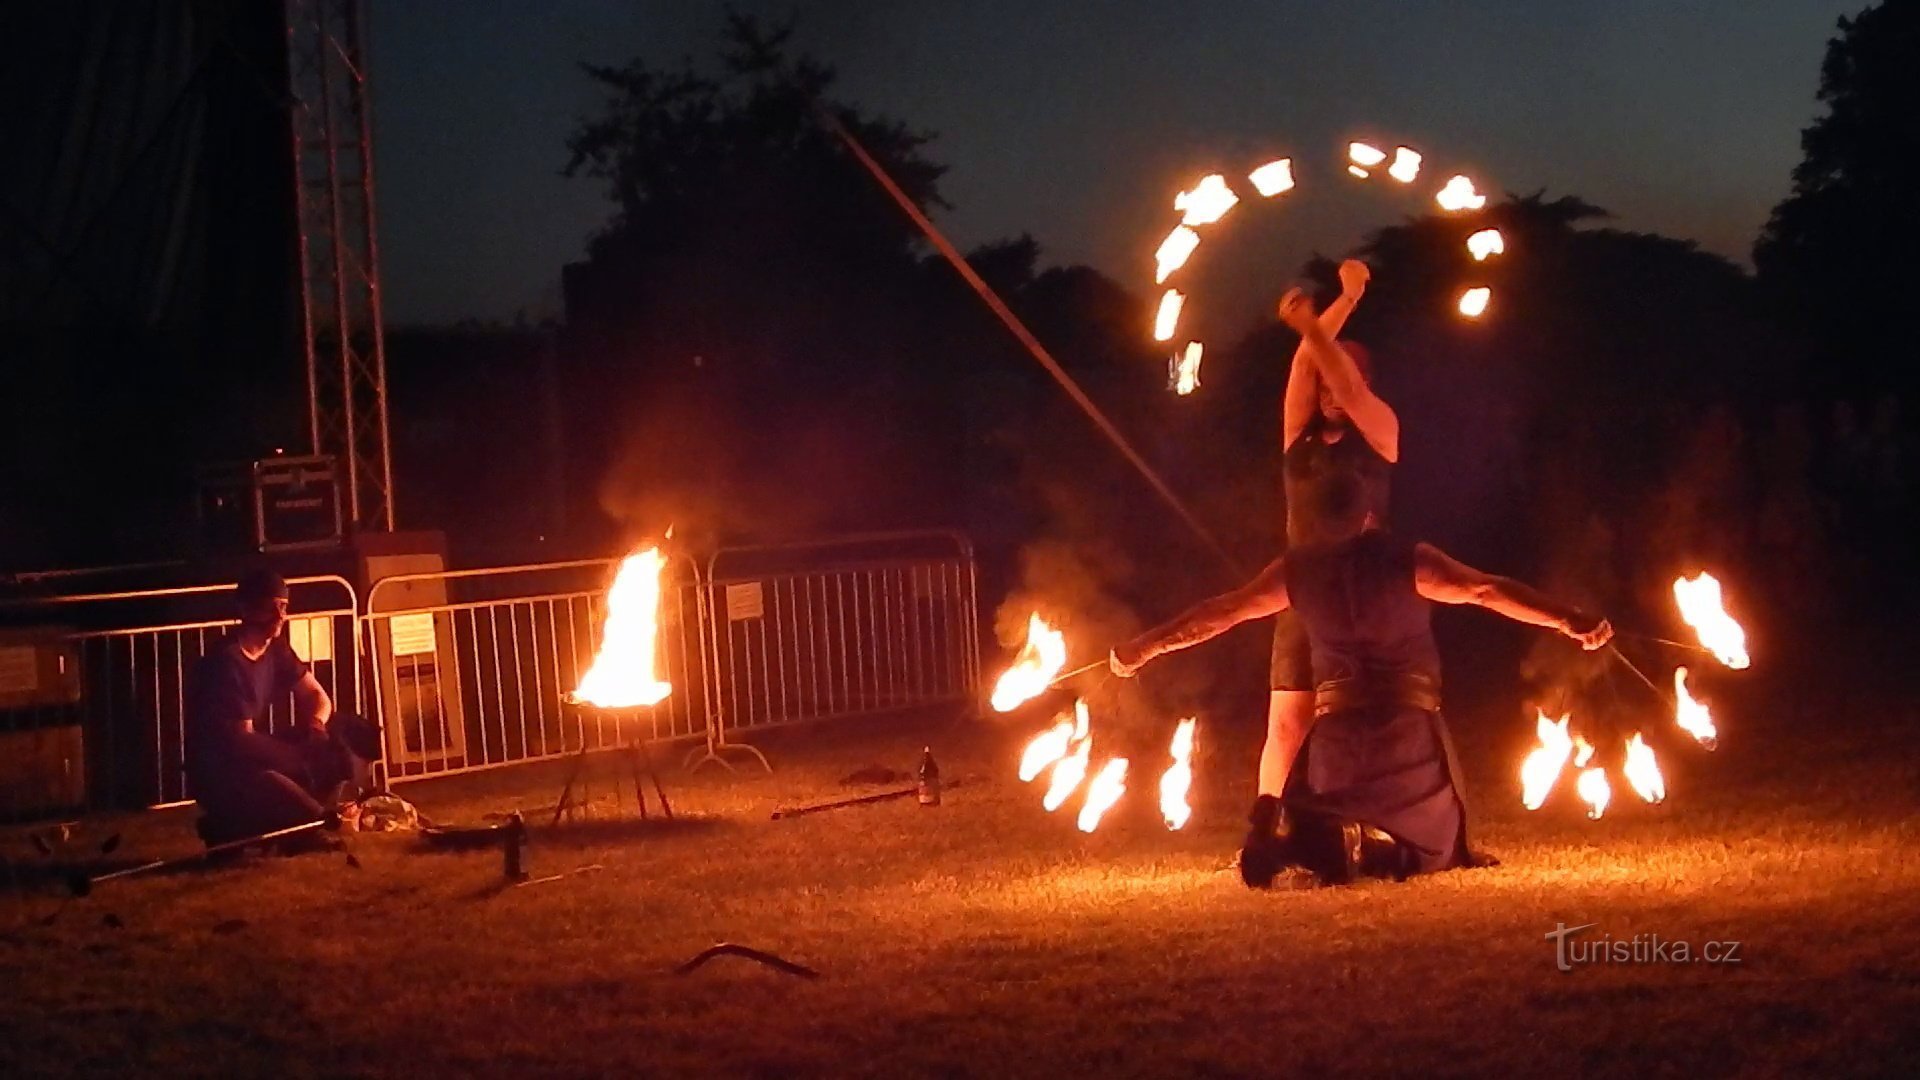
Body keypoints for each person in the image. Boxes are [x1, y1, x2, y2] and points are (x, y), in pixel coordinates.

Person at [1111, 418, 1611, 886]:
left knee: (1335, 816)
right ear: (1368, 513)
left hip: (1337, 750)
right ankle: (1359, 848)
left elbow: (1221, 612)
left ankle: (1308, 838)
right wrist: (1569, 619)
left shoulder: (1298, 570)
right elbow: (1486, 590)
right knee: (1430, 850)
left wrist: (1145, 646)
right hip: (1405, 742)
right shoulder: (1406, 560)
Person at [1258, 270, 1398, 865]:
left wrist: (1333, 312)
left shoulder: (1382, 433)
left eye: (1340, 382)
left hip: (1365, 602)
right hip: (1301, 600)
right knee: (1287, 723)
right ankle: (1263, 832)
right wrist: (1329, 314)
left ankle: (1379, 832)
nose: (1328, 392)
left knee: (1366, 725)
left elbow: (1340, 375)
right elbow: (1303, 367)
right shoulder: (1298, 439)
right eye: (1323, 386)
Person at [184, 570, 379, 847]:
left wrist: (316, 726)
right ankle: (233, 825)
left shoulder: (276, 648)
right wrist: (295, 757)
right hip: (221, 768)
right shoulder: (227, 662)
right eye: (270, 606)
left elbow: (317, 695)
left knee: (342, 730)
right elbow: (242, 739)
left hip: (251, 755)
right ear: (246, 608)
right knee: (279, 786)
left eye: (284, 606)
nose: (280, 616)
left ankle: (279, 823)